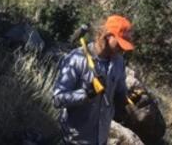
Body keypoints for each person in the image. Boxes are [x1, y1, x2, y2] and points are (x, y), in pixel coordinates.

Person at [53, 15, 134, 145]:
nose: (123, 48)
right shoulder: (77, 59)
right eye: (119, 43)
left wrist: (127, 101)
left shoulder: (119, 62)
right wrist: (86, 93)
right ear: (107, 36)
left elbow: (120, 93)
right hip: (74, 140)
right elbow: (57, 99)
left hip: (100, 139)